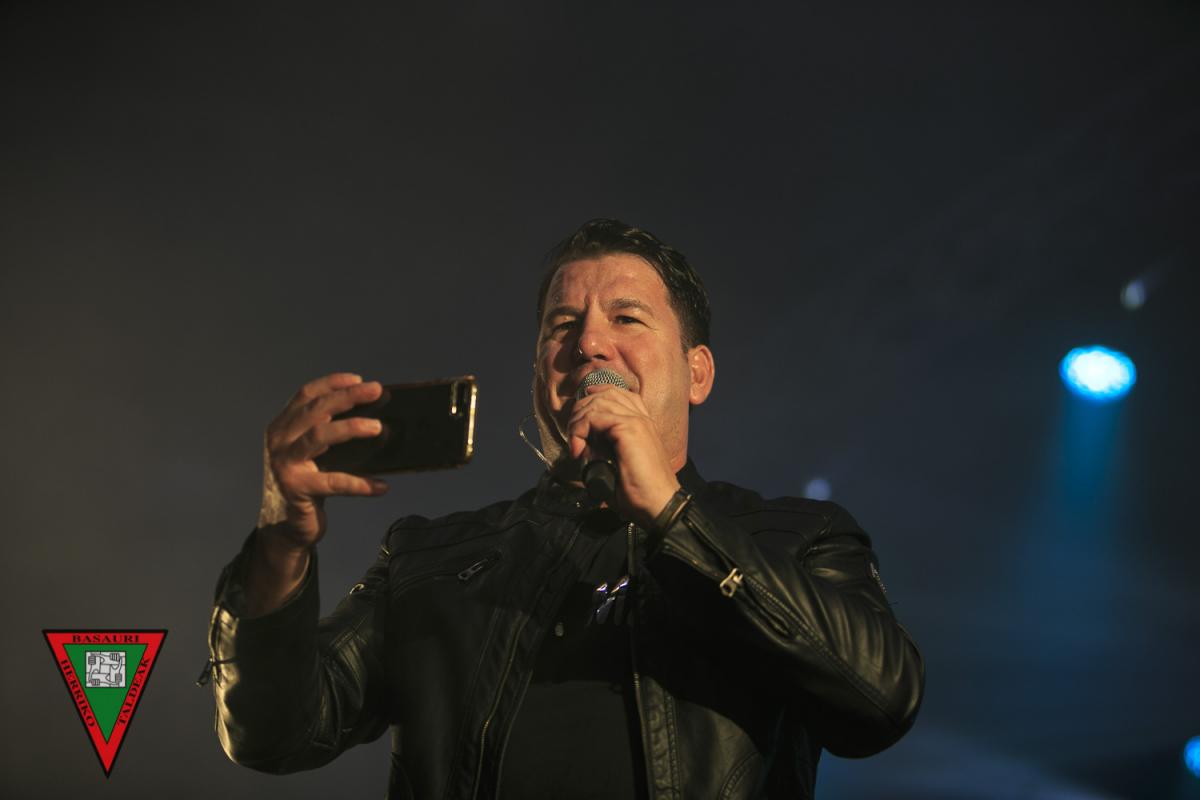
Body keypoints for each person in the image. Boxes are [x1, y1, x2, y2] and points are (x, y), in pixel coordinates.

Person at [204, 218, 925, 799]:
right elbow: (273, 733)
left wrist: (675, 517)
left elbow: (880, 702)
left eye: (627, 317)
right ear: (537, 375)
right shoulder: (429, 557)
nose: (588, 343)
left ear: (697, 373)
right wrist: (281, 543)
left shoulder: (796, 537)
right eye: (562, 325)